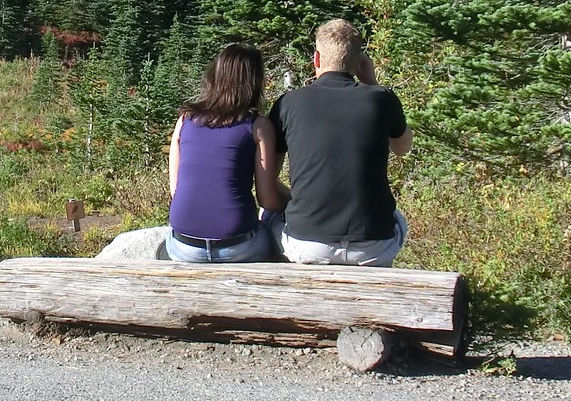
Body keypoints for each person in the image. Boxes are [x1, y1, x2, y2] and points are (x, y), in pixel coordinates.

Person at [264, 19, 414, 266]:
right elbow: (403, 147)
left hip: (308, 246)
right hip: (373, 247)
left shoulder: (288, 103)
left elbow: (268, 181)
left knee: (267, 216)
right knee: (398, 219)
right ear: (359, 62)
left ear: (316, 59)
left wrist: (300, 202)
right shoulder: (382, 99)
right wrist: (372, 83)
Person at [165, 44, 288, 263]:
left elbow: (176, 190)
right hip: (239, 247)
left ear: (215, 75)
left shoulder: (185, 120)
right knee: (273, 226)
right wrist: (294, 202)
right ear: (254, 82)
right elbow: (268, 200)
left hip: (183, 246)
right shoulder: (258, 127)